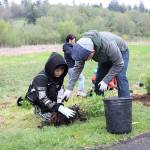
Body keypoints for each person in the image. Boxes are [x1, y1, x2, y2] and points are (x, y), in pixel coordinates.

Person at [61, 31, 130, 101]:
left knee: (120, 77)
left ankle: (125, 104)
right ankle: (99, 103)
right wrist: (69, 89)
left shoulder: (108, 45)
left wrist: (106, 81)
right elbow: (78, 68)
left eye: (85, 58)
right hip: (104, 57)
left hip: (121, 52)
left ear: (92, 51)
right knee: (99, 80)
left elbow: (119, 64)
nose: (84, 60)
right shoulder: (82, 48)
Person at [25, 52, 76, 122]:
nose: (60, 72)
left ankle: (51, 108)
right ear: (51, 68)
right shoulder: (41, 78)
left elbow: (60, 90)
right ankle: (39, 110)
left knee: (55, 94)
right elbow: (42, 97)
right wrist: (58, 108)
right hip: (36, 97)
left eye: (62, 69)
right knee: (51, 118)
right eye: (57, 70)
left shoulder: (59, 76)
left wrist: (60, 105)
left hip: (48, 95)